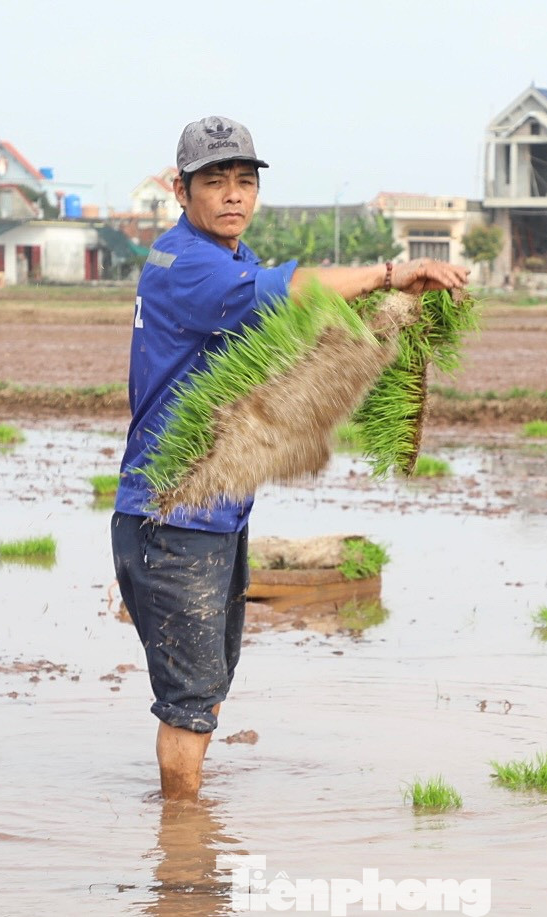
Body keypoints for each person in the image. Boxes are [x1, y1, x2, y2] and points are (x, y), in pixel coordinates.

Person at [111, 116, 468, 800]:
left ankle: (187, 844)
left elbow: (297, 327)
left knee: (208, 686)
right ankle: (182, 858)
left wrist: (391, 310)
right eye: (214, 181)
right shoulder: (187, 265)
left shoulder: (231, 261)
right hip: (174, 513)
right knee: (189, 700)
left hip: (213, 510)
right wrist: (392, 272)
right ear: (180, 188)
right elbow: (298, 290)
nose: (232, 195)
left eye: (244, 181)